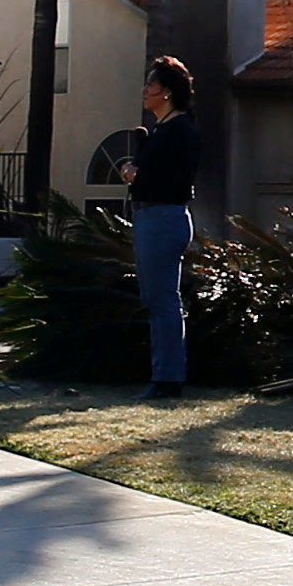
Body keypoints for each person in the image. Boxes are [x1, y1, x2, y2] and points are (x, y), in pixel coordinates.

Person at [125, 55, 202, 399]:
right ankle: (164, 373)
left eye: (151, 85)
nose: (145, 91)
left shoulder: (180, 130)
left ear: (168, 92)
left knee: (163, 300)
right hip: (151, 218)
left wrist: (136, 174)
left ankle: (168, 378)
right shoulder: (162, 130)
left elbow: (172, 179)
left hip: (163, 218)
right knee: (156, 299)